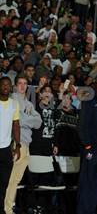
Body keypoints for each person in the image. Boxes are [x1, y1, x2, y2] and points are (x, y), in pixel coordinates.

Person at [4, 75, 41, 214]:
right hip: (16, 143)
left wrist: (25, 119)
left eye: (25, 83)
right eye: (20, 83)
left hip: (26, 144)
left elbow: (39, 122)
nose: (22, 86)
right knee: (10, 178)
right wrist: (27, 119)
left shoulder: (29, 104)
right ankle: (7, 209)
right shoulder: (12, 99)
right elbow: (17, 121)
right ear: (15, 85)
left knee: (16, 179)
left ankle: (8, 207)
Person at [77, 77, 97, 214]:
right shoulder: (89, 101)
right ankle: (83, 210)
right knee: (87, 181)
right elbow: (82, 125)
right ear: (94, 86)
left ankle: (91, 209)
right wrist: (87, 146)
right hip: (92, 149)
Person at [0, 77, 20, 214]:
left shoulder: (14, 104)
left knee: (3, 183)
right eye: (3, 84)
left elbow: (16, 125)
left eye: (8, 84)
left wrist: (18, 145)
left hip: (6, 149)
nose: (6, 87)